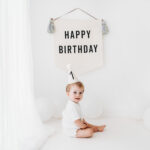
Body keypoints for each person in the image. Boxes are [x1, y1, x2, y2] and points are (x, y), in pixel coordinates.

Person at [62, 64, 106, 138]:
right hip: (72, 130)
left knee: (86, 123)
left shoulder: (75, 103)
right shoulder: (71, 106)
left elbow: (79, 118)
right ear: (68, 93)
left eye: (80, 92)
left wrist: (85, 124)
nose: (78, 95)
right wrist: (84, 126)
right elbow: (76, 122)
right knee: (89, 132)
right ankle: (94, 129)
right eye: (75, 92)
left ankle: (97, 128)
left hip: (78, 124)